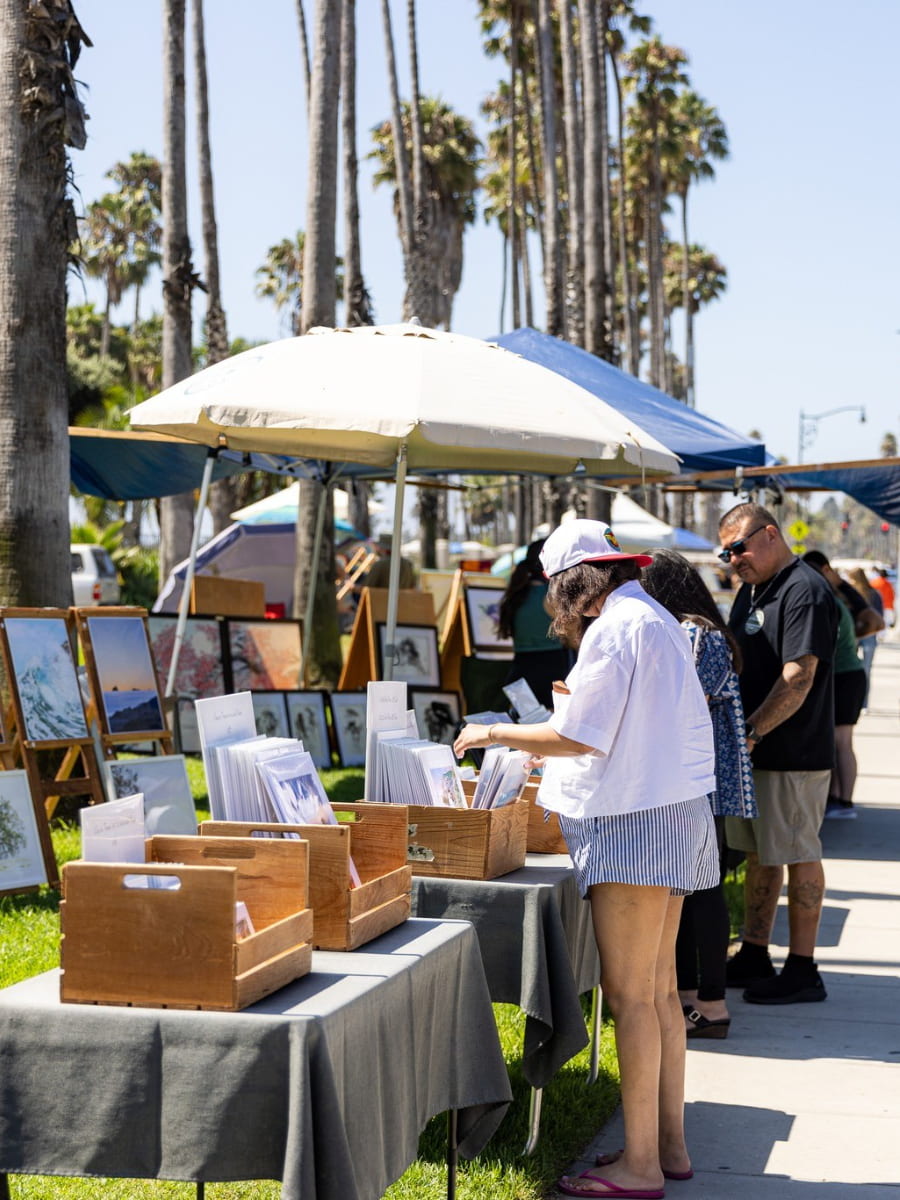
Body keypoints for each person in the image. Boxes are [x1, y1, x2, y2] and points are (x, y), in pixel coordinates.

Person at [454, 520, 718, 1198]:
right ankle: (667, 1146)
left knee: (631, 999)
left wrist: (493, 730)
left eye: (554, 593)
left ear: (574, 585)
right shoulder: (654, 614)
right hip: (675, 810)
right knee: (658, 993)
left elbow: (581, 734)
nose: (554, 611)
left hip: (635, 819)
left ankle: (641, 1166)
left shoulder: (614, 628)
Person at [718, 504, 838, 1005]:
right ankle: (755, 951)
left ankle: (804, 968)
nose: (733, 559)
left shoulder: (803, 591)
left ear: (770, 534)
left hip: (792, 752)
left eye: (740, 546)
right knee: (759, 853)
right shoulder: (752, 589)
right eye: (725, 552)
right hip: (755, 750)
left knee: (798, 853)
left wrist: (750, 732)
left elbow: (799, 677)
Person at [642, 549, 756, 1040]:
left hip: (697, 778)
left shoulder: (700, 636)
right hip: (691, 776)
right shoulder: (690, 632)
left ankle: (710, 1004)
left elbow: (683, 701)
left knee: (703, 889)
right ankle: (691, 997)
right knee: (687, 889)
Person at [802, 551, 876, 819]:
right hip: (846, 676)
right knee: (837, 742)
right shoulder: (832, 599)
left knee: (842, 742)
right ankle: (838, 797)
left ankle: (845, 802)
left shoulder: (826, 601)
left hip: (845, 678)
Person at [496, 538, 570, 709]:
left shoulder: (515, 594)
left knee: (522, 728)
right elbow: (572, 638)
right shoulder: (549, 596)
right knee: (549, 730)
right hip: (551, 675)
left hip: (520, 675)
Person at [846, 565, 884, 705]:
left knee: (865, 669)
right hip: (856, 634)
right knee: (854, 668)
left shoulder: (872, 594)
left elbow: (879, 614)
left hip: (867, 635)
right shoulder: (851, 593)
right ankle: (856, 701)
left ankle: (863, 702)